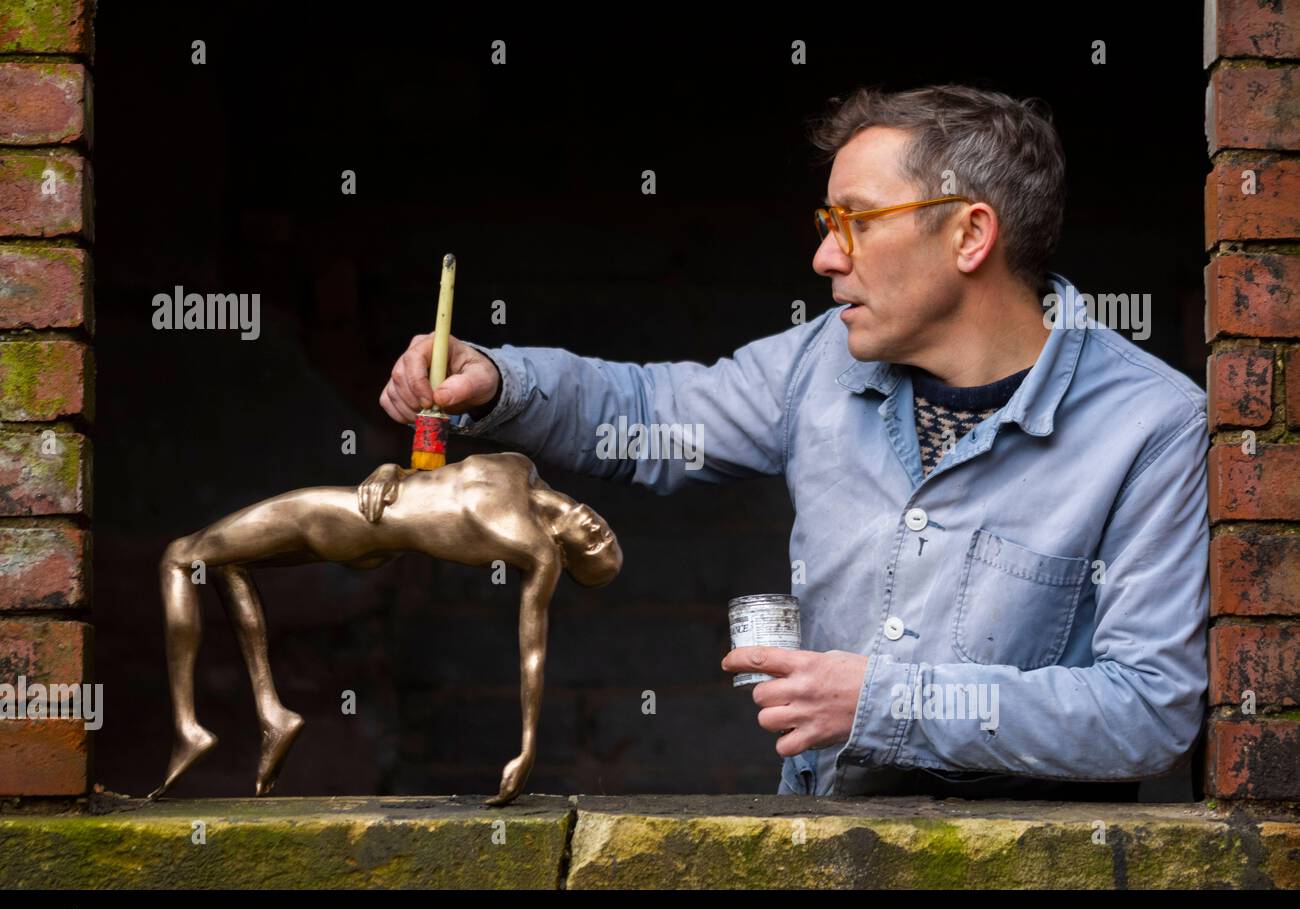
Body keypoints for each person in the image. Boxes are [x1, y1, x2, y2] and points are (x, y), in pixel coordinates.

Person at [378, 84, 1209, 800]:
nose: (821, 256)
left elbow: (1147, 710)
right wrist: (497, 377)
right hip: (821, 847)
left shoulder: (1151, 427)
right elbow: (652, 412)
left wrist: (882, 703)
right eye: (826, 222)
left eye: (855, 222)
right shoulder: (817, 362)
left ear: (969, 235)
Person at [151, 452, 622, 805]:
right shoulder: (521, 466)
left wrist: (527, 748)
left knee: (180, 554)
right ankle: (271, 713)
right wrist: (390, 470)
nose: (598, 529)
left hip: (344, 520)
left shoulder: (534, 549)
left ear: (568, 554)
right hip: (369, 516)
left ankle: (188, 727)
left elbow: (532, 651)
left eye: (595, 545)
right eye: (607, 534)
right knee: (227, 562)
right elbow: (431, 475)